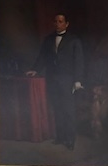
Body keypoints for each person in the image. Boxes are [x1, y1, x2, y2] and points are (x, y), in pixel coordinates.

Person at [27, 13, 85, 150]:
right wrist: (35, 69)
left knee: (68, 110)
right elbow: (42, 57)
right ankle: (60, 137)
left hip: (67, 80)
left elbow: (79, 61)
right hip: (52, 79)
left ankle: (70, 139)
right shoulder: (48, 39)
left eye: (60, 21)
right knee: (57, 109)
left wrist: (77, 80)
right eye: (56, 21)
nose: (58, 24)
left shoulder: (74, 40)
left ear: (66, 24)